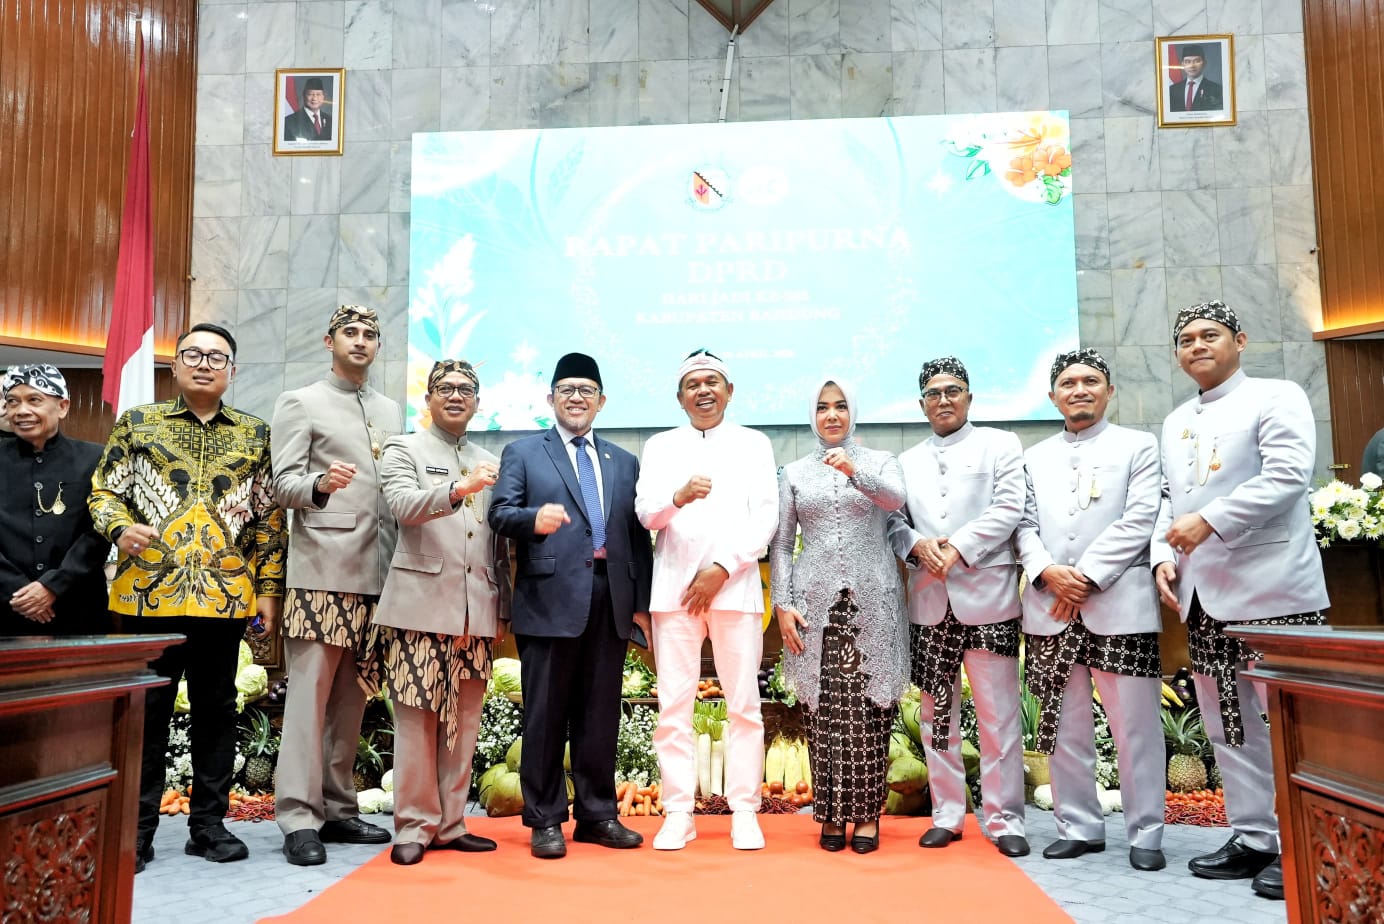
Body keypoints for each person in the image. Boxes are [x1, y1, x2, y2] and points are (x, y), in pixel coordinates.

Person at [90, 323, 286, 873]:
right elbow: (104, 491)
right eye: (193, 354)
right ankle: (137, 830)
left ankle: (208, 827)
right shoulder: (139, 423)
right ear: (174, 365)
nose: (204, 363)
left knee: (216, 712)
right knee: (145, 714)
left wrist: (269, 590)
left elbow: (269, 517)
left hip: (224, 599)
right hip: (146, 596)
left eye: (216, 357)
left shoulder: (256, 434)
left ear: (232, 371)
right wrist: (120, 528)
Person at [1153, 300, 1328, 901]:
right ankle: (1255, 837)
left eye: (1210, 335)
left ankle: (1305, 838)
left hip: (1274, 589)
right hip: (1204, 596)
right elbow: (1167, 499)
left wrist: (1210, 520)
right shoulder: (1176, 420)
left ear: (1240, 340)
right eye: (1186, 339)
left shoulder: (1276, 396)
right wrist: (1160, 556)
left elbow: (1288, 476)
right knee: (1228, 722)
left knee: (1288, 723)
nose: (1197, 346)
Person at [488, 353, 653, 860]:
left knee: (600, 713)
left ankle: (598, 815)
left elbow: (637, 539)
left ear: (601, 401)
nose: (576, 398)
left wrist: (640, 606)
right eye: (567, 389)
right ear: (551, 398)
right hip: (549, 598)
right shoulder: (524, 453)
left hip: (611, 598)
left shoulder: (624, 462)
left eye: (586, 390)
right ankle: (545, 819)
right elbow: (500, 513)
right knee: (545, 714)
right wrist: (533, 519)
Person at [1015, 349, 1167, 872]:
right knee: (1062, 724)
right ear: (1052, 396)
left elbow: (1141, 517)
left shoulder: (1138, 445)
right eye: (1068, 382)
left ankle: (1146, 832)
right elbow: (1022, 523)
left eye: (1090, 381)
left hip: (1119, 603)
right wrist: (1046, 570)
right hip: (1049, 606)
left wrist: (1084, 576)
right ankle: (1077, 826)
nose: (1079, 389)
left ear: (1109, 390)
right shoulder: (1033, 456)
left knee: (1136, 726)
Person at [271, 305, 400, 866]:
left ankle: (339, 807)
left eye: (370, 334)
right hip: (322, 573)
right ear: (329, 341)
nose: (360, 341)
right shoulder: (301, 401)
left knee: (351, 699)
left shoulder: (389, 409)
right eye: (350, 332)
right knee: (308, 702)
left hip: (378, 573)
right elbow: (281, 485)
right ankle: (298, 816)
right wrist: (319, 483)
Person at [635, 349, 778, 852]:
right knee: (673, 705)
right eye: (693, 384)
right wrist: (677, 497)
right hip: (674, 591)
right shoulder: (660, 446)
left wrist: (722, 568)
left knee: (744, 704)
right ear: (680, 398)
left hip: (734, 587)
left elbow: (766, 518)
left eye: (712, 382)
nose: (703, 391)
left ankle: (745, 811)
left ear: (729, 391)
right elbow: (646, 516)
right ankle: (678, 812)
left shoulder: (754, 444)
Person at [887, 355, 1029, 857]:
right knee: (936, 715)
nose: (943, 400)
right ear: (921, 403)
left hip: (988, 598)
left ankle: (1005, 819)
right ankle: (947, 814)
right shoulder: (906, 461)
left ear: (969, 396)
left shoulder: (1000, 444)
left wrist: (960, 547)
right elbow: (894, 522)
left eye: (953, 390)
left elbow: (1009, 507)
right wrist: (917, 545)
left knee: (998, 716)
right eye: (933, 393)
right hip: (930, 601)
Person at [375, 360, 509, 865]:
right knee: (416, 719)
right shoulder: (403, 448)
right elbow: (403, 506)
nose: (456, 396)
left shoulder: (488, 459)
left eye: (466, 389)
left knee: (465, 720)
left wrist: (502, 606)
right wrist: (459, 490)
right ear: (427, 397)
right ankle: (413, 825)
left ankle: (451, 824)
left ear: (478, 402)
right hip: (420, 608)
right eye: (445, 388)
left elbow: (496, 544)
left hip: (477, 610)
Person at [772, 377, 908, 854]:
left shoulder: (881, 462)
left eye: (841, 406)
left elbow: (895, 501)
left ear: (853, 412)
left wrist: (854, 471)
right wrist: (783, 604)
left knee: (870, 713)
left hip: (873, 605)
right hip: (815, 609)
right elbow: (782, 544)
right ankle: (830, 815)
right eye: (823, 407)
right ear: (813, 415)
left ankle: (868, 816)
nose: (832, 415)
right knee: (825, 712)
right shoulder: (793, 473)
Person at [1, 365, 110, 636]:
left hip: (78, 605)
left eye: (34, 400)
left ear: (62, 407)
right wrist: (19, 591)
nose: (21, 411)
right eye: (12, 402)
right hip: (6, 607)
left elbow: (100, 530)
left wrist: (52, 586)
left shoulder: (96, 459)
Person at [1169, 44, 1224, 112]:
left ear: (1204, 63)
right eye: (1187, 61)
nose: (1192, 66)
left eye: (1197, 61)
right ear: (1182, 64)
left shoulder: (1217, 90)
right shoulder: (1172, 90)